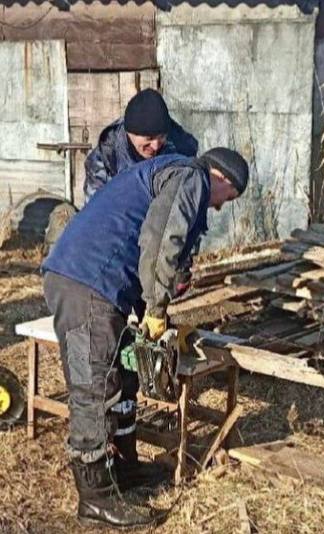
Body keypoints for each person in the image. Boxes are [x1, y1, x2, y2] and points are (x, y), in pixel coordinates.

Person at [42, 147, 249, 528]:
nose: (219, 208)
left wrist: (155, 312)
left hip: (102, 284)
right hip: (87, 282)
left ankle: (125, 466)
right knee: (94, 388)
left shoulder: (168, 174)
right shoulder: (191, 177)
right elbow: (159, 247)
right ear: (222, 178)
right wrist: (154, 312)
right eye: (228, 199)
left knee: (124, 377)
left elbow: (141, 245)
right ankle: (96, 498)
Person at [83, 88, 198, 203]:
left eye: (162, 136)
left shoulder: (180, 149)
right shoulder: (105, 159)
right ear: (130, 133)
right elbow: (95, 212)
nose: (156, 146)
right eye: (149, 138)